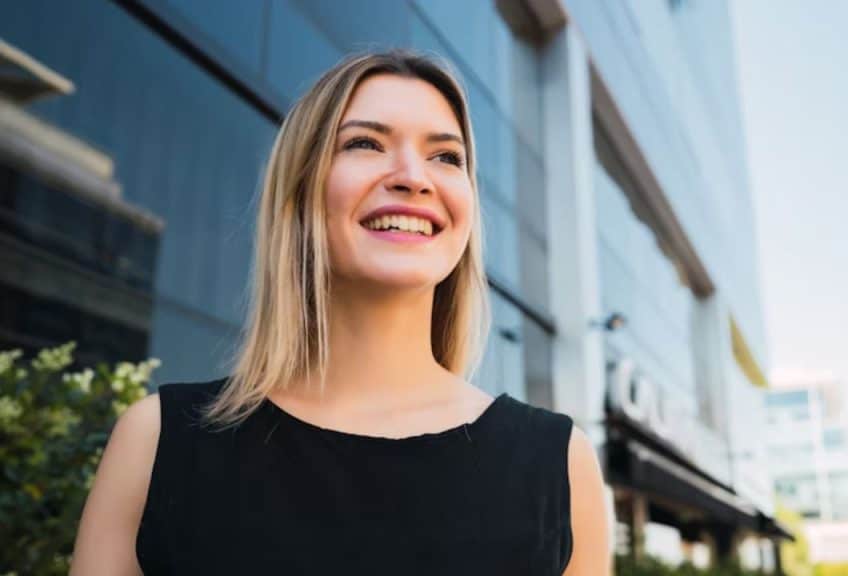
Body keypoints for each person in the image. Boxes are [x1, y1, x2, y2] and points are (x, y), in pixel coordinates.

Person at [70, 49, 611, 575]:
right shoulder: (157, 441)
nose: (413, 177)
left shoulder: (558, 463)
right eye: (365, 144)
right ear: (300, 190)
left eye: (446, 156)